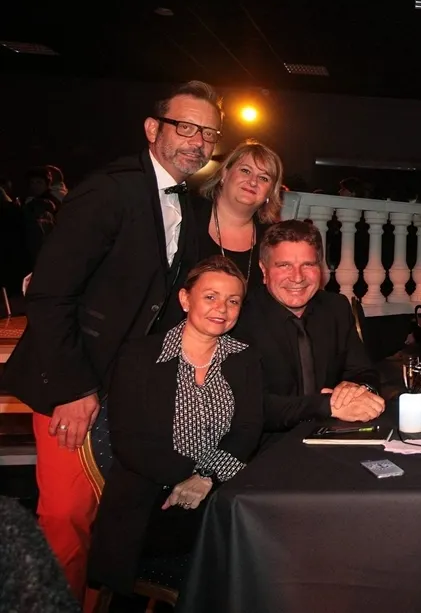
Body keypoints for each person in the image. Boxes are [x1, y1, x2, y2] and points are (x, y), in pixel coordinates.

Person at [0, 80, 221, 605]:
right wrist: (74, 390)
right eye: (186, 127)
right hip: (72, 381)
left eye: (209, 133)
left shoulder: (185, 204)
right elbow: (50, 295)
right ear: (153, 129)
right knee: (67, 517)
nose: (198, 141)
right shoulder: (109, 190)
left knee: (109, 519)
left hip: (125, 387)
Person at [89, 256, 263, 596]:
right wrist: (189, 478)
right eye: (210, 297)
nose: (222, 308)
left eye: (233, 301)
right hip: (151, 502)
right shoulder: (139, 356)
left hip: (217, 492)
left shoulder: (245, 357)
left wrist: (207, 478)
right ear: (185, 299)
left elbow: (247, 429)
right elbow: (129, 441)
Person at [231, 220, 385, 441]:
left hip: (333, 435)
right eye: (284, 265)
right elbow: (252, 406)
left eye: (308, 265)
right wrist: (325, 405)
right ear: (264, 270)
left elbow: (365, 372)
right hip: (266, 447)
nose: (297, 277)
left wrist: (356, 389)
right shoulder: (240, 318)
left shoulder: (336, 308)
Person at [194, 138, 284, 290]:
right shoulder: (186, 215)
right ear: (225, 173)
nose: (253, 182)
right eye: (245, 171)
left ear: (271, 192)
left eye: (264, 178)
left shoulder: (273, 239)